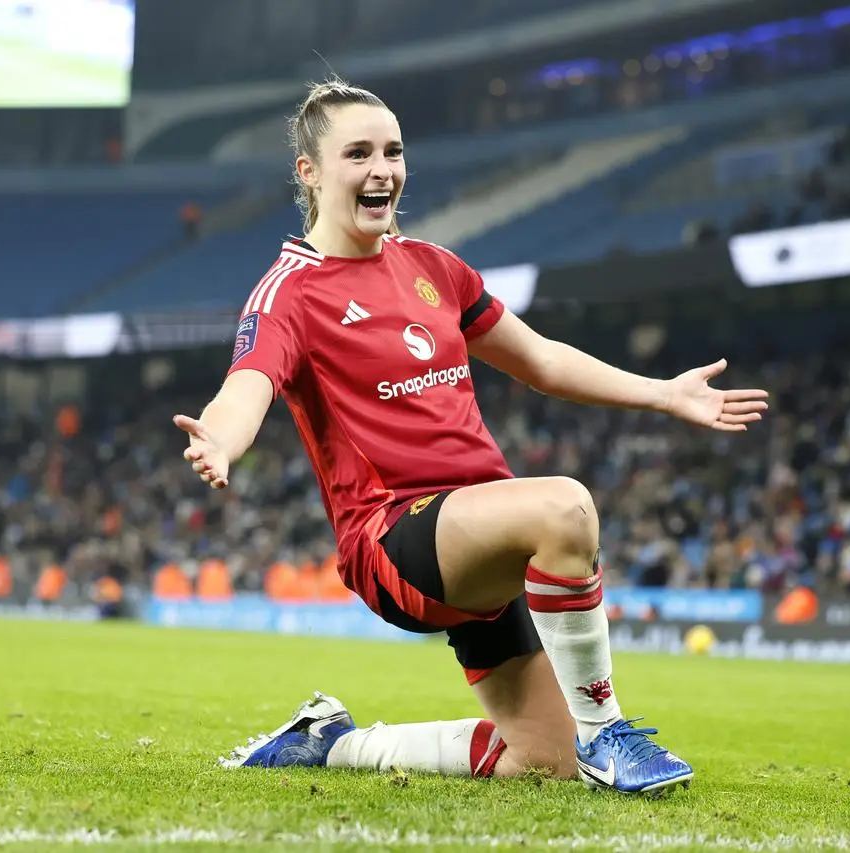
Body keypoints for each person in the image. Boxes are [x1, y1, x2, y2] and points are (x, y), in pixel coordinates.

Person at [173, 77, 769, 795]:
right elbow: (250, 384)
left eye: (392, 151)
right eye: (357, 153)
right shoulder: (290, 290)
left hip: (479, 537)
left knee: (541, 757)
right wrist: (221, 438)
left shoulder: (434, 267)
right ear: (309, 171)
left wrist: (664, 393)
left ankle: (332, 743)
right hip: (394, 539)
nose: (381, 169)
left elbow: (542, 359)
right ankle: (609, 734)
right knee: (565, 508)